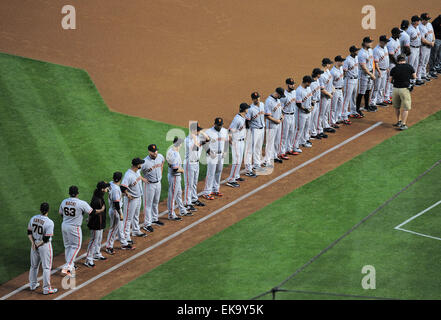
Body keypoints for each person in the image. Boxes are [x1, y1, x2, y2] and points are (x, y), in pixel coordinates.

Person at [59, 185, 104, 276]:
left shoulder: (64, 202)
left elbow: (61, 213)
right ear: (77, 193)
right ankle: (67, 267)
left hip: (64, 226)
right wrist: (101, 209)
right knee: (76, 246)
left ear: (69, 193)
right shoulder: (81, 203)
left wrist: (68, 219)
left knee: (68, 246)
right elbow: (92, 212)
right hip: (74, 227)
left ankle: (71, 264)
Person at [28, 202, 57, 295]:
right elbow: (46, 238)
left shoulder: (33, 218)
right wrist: (37, 245)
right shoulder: (49, 222)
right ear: (48, 210)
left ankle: (32, 285)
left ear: (40, 210)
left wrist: (33, 243)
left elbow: (29, 232)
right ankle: (46, 289)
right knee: (46, 267)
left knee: (33, 266)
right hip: (44, 245)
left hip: (34, 243)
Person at [121, 158, 147, 248]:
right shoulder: (128, 175)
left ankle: (136, 230)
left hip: (138, 197)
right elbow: (122, 188)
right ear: (137, 165)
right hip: (131, 200)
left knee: (136, 215)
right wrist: (128, 195)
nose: (142, 165)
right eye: (141, 164)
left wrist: (143, 179)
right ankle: (125, 236)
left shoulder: (137, 171)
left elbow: (138, 178)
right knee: (128, 219)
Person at [183, 123, 210, 210]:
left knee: (194, 183)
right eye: (198, 130)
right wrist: (196, 135)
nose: (199, 132)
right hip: (189, 164)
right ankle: (187, 203)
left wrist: (201, 132)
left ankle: (194, 199)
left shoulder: (198, 137)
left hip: (196, 163)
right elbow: (196, 146)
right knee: (189, 184)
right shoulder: (187, 140)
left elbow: (208, 139)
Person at [201, 118, 229, 199]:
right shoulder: (209, 132)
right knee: (210, 173)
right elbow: (203, 143)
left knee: (219, 171)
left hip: (221, 155)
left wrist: (225, 151)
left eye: (221, 125)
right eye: (218, 125)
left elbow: (226, 141)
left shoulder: (224, 131)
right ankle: (206, 192)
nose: (220, 126)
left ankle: (215, 189)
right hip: (212, 155)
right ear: (215, 124)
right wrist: (209, 152)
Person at [84, 181, 110, 267]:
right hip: (95, 224)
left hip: (100, 222)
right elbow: (92, 212)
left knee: (99, 239)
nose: (107, 188)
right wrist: (89, 219)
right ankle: (88, 259)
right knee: (93, 240)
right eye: (106, 188)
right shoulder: (97, 200)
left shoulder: (99, 195)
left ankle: (96, 253)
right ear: (102, 189)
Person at [141, 144, 166, 232]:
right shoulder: (144, 162)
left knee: (155, 202)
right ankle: (147, 224)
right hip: (149, 185)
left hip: (158, 183)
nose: (155, 152)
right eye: (153, 151)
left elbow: (163, 162)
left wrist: (161, 174)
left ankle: (155, 219)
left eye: (156, 151)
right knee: (148, 205)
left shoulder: (160, 156)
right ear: (149, 151)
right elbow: (136, 171)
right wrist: (143, 179)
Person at [105, 171, 131, 254]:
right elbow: (116, 203)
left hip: (114, 209)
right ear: (120, 179)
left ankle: (124, 243)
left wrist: (124, 194)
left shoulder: (110, 184)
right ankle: (109, 246)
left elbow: (107, 186)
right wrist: (120, 214)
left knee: (120, 227)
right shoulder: (116, 189)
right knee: (113, 229)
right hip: (116, 210)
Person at [389, 54, 417, 130]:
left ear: (398, 60)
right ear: (405, 59)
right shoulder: (409, 67)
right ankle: (403, 124)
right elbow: (414, 77)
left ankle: (399, 121)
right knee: (405, 108)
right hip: (404, 90)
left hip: (395, 90)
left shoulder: (394, 68)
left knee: (397, 107)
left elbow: (390, 80)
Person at [226, 103, 249, 188]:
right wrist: (231, 141)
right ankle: (231, 180)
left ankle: (236, 176)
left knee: (239, 159)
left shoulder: (243, 117)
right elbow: (230, 130)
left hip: (241, 141)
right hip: (236, 142)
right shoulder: (237, 119)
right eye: (247, 108)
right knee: (236, 161)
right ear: (244, 109)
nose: (248, 110)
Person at [244, 91, 265, 177]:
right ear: (252, 99)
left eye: (258, 97)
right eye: (256, 98)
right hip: (254, 130)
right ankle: (248, 169)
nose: (257, 99)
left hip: (262, 129)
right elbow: (247, 121)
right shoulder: (250, 109)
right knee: (249, 150)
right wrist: (248, 131)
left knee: (258, 148)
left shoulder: (262, 105)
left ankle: (257, 165)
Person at [263, 88, 285, 166]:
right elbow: (267, 116)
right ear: (277, 93)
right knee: (270, 143)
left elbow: (280, 110)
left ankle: (274, 156)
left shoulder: (277, 100)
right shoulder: (269, 101)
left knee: (277, 141)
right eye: (280, 95)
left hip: (278, 123)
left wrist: (282, 116)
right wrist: (277, 121)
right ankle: (267, 160)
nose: (281, 97)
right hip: (271, 125)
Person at [293, 76, 313, 153]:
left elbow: (310, 99)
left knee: (306, 128)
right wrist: (305, 109)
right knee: (299, 129)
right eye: (309, 82)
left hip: (308, 112)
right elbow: (298, 104)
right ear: (306, 82)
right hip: (301, 113)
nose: (310, 84)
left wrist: (311, 106)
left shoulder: (308, 88)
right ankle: (295, 146)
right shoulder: (299, 91)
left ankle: (303, 142)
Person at [357, 36, 376, 115]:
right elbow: (363, 67)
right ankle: (357, 109)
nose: (371, 43)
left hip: (370, 72)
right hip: (364, 74)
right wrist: (371, 74)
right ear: (365, 43)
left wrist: (373, 72)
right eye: (370, 42)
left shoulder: (370, 50)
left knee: (368, 90)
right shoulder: (361, 53)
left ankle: (367, 106)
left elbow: (372, 62)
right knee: (362, 91)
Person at [279, 78, 297, 159]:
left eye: (293, 84)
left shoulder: (294, 92)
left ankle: (289, 149)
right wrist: (282, 116)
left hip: (293, 115)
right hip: (286, 116)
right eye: (291, 84)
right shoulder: (284, 96)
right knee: (284, 135)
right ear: (287, 85)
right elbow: (280, 108)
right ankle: (282, 152)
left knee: (291, 133)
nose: (293, 85)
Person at [371, 35, 390, 107]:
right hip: (379, 71)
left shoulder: (385, 47)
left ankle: (379, 100)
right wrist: (379, 71)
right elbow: (375, 63)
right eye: (385, 42)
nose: (386, 43)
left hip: (384, 70)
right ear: (381, 42)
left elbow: (386, 59)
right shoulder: (376, 50)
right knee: (376, 87)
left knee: (382, 86)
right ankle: (372, 102)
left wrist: (387, 68)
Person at [385, 28, 403, 103]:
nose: (400, 34)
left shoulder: (397, 40)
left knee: (393, 80)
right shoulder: (390, 43)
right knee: (389, 80)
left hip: (396, 62)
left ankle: (391, 95)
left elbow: (398, 53)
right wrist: (397, 63)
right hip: (391, 64)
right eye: (399, 33)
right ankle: (386, 97)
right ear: (394, 34)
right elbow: (391, 56)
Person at [318, 58, 335, 135]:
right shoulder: (321, 75)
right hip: (323, 97)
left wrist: (332, 89)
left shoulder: (328, 71)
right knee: (321, 113)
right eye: (329, 63)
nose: (330, 65)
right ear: (326, 64)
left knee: (326, 112)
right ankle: (319, 129)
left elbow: (330, 83)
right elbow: (321, 89)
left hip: (329, 95)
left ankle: (325, 125)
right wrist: (329, 94)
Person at [343, 45, 361, 120]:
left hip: (355, 80)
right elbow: (344, 71)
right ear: (352, 52)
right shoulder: (347, 60)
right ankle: (343, 114)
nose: (357, 51)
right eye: (356, 50)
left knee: (353, 96)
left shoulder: (356, 57)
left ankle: (353, 111)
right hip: (349, 80)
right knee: (347, 97)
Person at [418, 13, 435, 82]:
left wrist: (433, 41)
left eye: (428, 19)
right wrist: (430, 43)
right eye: (426, 20)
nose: (427, 21)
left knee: (426, 61)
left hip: (430, 45)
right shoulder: (420, 27)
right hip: (424, 47)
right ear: (422, 20)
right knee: (421, 62)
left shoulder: (429, 24)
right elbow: (422, 39)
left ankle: (424, 74)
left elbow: (433, 33)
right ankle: (419, 77)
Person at [406, 15, 423, 86]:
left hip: (417, 48)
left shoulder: (417, 27)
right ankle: (408, 81)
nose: (419, 21)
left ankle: (413, 80)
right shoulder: (409, 30)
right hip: (412, 49)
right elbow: (407, 41)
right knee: (410, 65)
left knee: (416, 64)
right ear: (415, 22)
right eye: (418, 20)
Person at [309, 68, 326, 140]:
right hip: (313, 103)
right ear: (317, 74)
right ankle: (309, 135)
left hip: (317, 103)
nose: (321, 75)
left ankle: (314, 133)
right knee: (311, 119)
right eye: (320, 73)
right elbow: (309, 95)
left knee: (315, 119)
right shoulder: (311, 84)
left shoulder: (317, 80)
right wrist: (312, 104)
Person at [329, 55, 345, 128]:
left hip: (340, 90)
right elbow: (330, 83)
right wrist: (333, 92)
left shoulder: (341, 68)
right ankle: (332, 122)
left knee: (340, 105)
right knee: (333, 107)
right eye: (341, 61)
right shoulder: (332, 72)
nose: (343, 62)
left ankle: (336, 119)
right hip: (335, 90)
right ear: (337, 62)